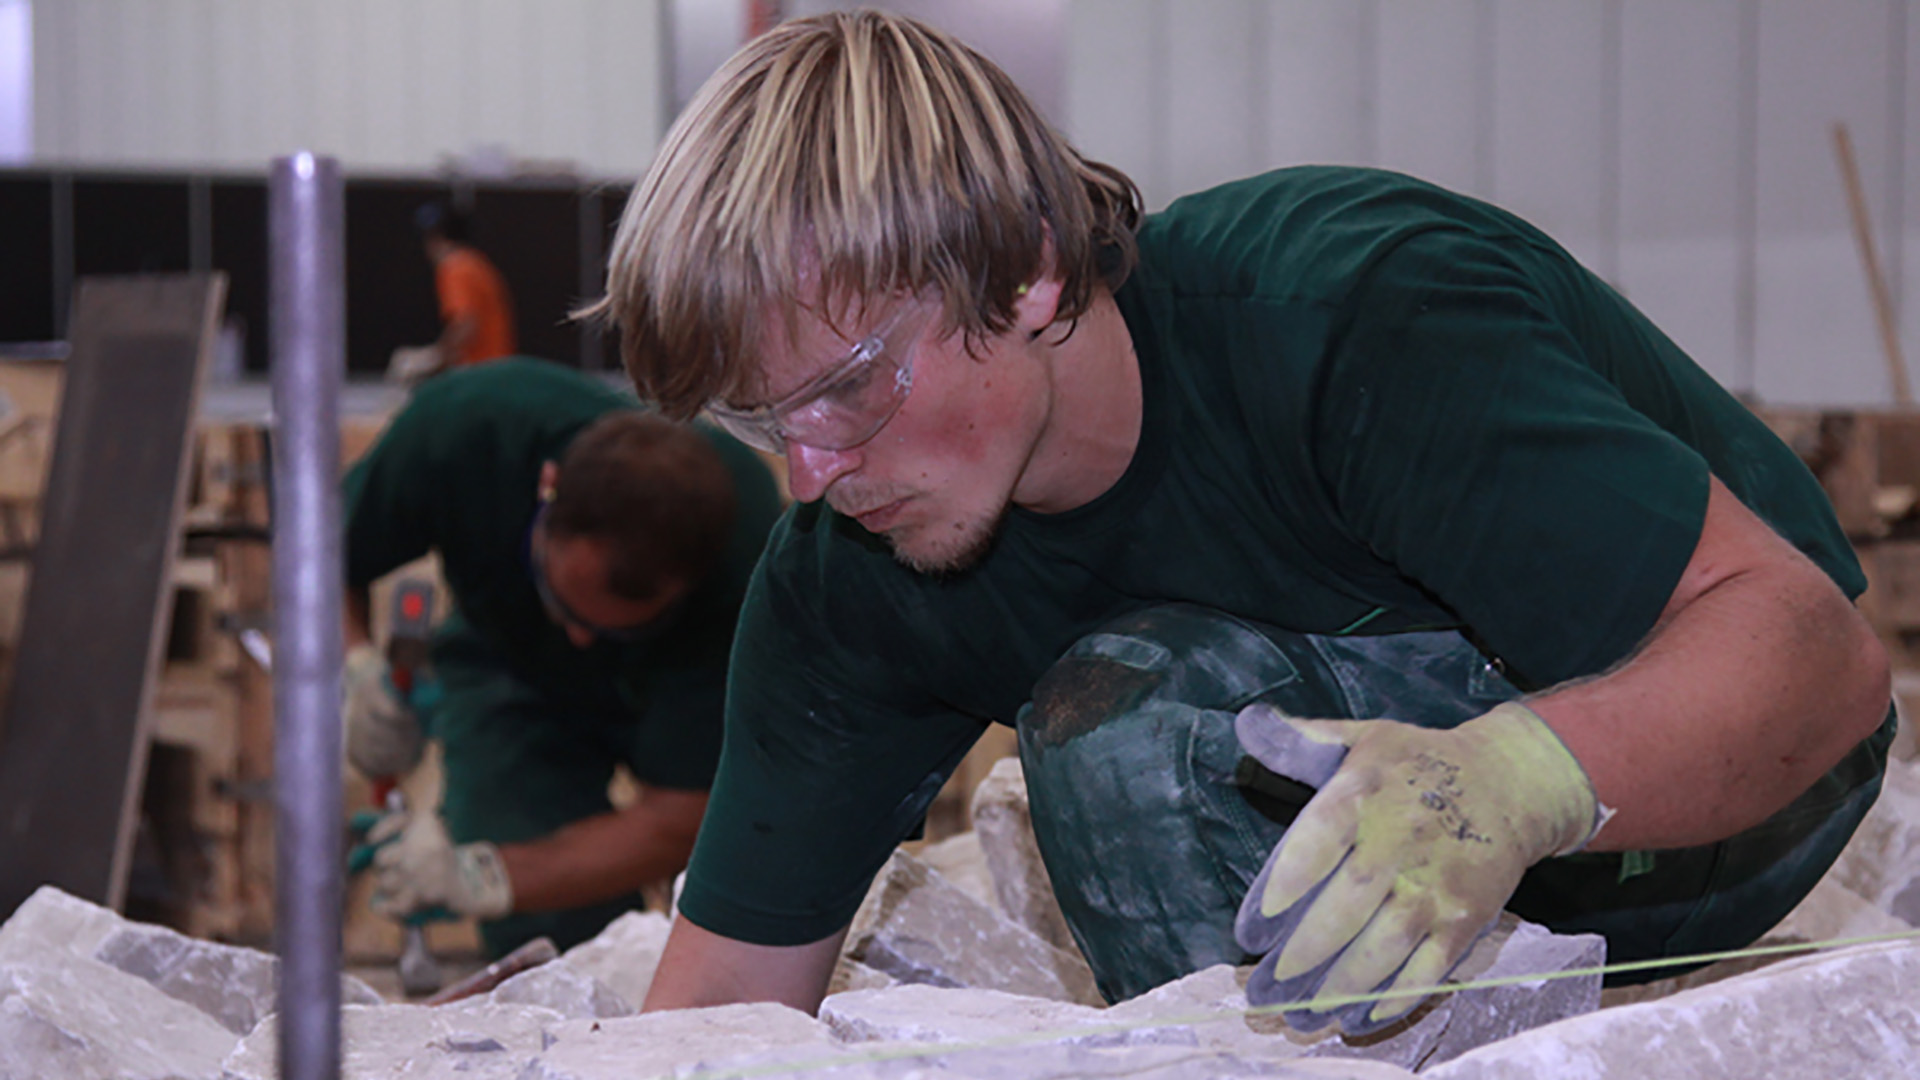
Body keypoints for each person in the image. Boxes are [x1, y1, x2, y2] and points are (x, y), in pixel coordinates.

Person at [592, 11, 1893, 1030]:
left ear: (1029, 267)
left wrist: (1519, 779)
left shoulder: (1352, 316)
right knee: (1123, 732)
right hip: (1382, 914)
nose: (813, 476)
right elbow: (723, 1004)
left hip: (1719, 812)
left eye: (852, 387)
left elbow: (1820, 666)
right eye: (766, 425)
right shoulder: (843, 580)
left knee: (1131, 728)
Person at [341, 357, 782, 956]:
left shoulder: (746, 552)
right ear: (547, 485)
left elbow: (680, 817)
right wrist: (353, 668)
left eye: (612, 626)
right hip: (509, 664)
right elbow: (319, 556)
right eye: (564, 605)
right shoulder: (466, 430)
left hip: (674, 678)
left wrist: (483, 877)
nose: (580, 639)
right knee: (552, 929)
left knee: (737, 875)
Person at [415, 201, 518, 371]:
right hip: (495, 368)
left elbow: (465, 324)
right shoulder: (474, 263)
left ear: (434, 239)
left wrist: (434, 359)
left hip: (481, 372)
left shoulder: (455, 267)